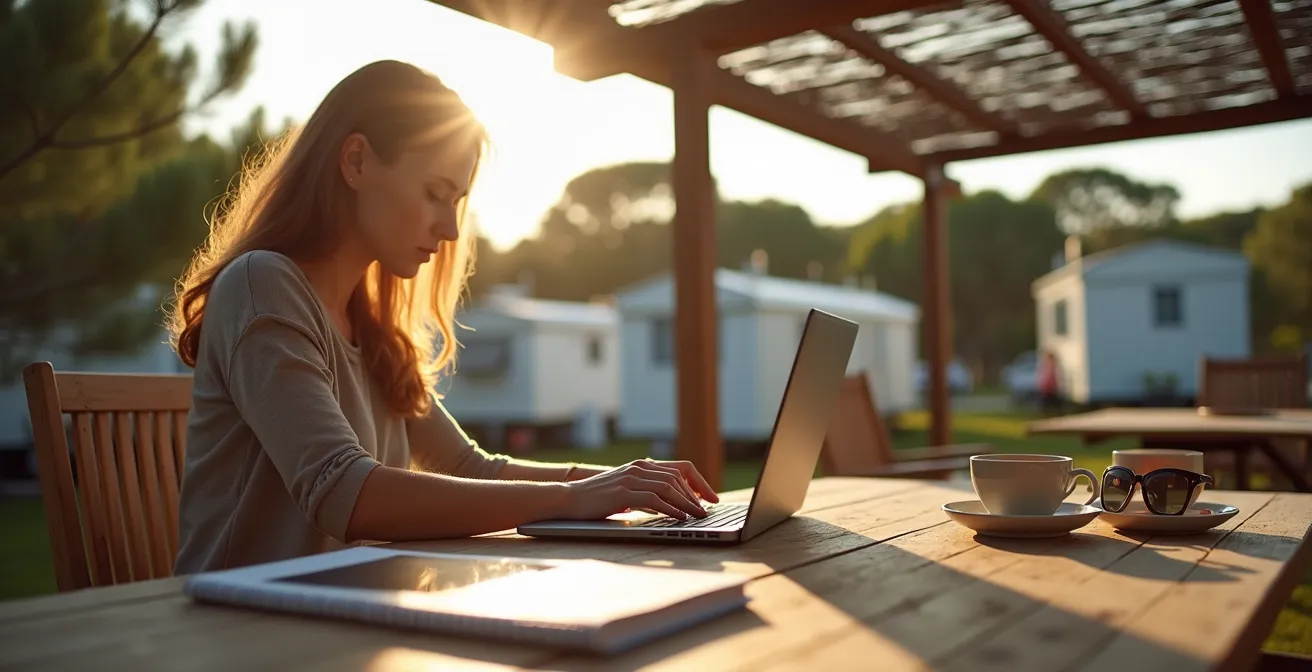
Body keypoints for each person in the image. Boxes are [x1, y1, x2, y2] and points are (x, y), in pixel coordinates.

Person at [167, 61, 717, 575]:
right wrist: (576, 497)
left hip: (349, 616)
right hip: (242, 622)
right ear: (356, 161)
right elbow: (342, 491)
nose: (451, 230)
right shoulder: (262, 285)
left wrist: (619, 481)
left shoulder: (373, 329)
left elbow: (468, 467)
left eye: (456, 202)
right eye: (435, 193)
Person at [1037, 351, 1062, 416]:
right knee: (1050, 402)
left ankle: (1048, 413)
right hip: (1048, 388)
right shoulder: (1049, 366)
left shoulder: (1046, 366)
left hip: (1048, 388)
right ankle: (1050, 413)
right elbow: (1049, 378)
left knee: (1049, 402)